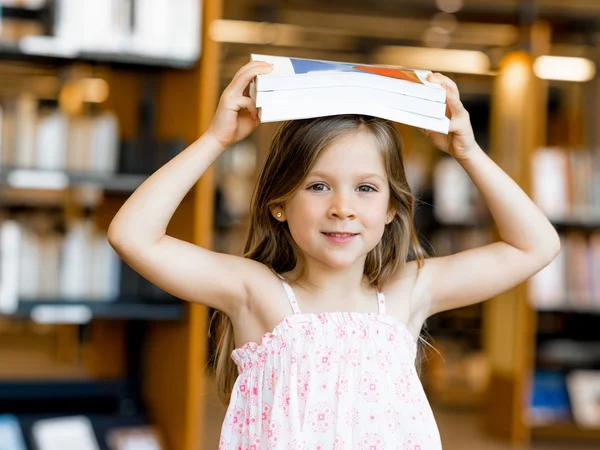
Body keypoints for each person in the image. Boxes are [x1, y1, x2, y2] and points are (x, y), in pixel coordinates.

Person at [107, 60, 561, 449]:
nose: (342, 207)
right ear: (279, 203)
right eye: (318, 186)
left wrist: (469, 152)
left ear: (390, 210)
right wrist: (216, 140)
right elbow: (133, 235)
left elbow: (535, 245)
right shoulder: (255, 292)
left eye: (365, 188)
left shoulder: (408, 292)